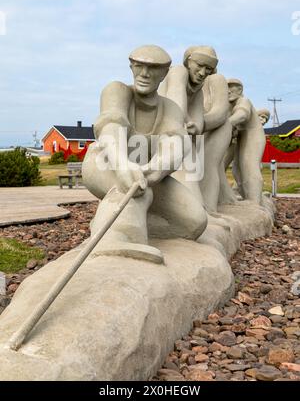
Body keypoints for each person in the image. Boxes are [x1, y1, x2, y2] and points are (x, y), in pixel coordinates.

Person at [82, 45, 207, 263]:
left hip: (147, 175)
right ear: (131, 67)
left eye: (153, 68)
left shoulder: (170, 108)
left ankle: (118, 219)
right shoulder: (117, 90)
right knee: (136, 189)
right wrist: (123, 165)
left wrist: (156, 170)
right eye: (139, 66)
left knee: (194, 221)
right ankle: (116, 240)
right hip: (105, 163)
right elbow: (111, 125)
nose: (145, 74)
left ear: (164, 73)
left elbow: (175, 144)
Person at [159, 46, 232, 213]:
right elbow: (175, 104)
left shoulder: (197, 91)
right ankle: (197, 212)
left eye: (208, 69)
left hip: (180, 135)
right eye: (199, 65)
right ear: (188, 61)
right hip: (165, 133)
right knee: (186, 162)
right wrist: (185, 121)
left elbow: (198, 120)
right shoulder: (179, 71)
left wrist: (194, 125)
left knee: (195, 166)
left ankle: (204, 211)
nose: (202, 72)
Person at [224, 78, 266, 204]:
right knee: (237, 169)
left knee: (249, 166)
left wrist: (225, 124)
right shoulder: (231, 105)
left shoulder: (243, 101)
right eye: (226, 88)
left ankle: (254, 200)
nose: (228, 91)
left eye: (231, 88)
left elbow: (242, 115)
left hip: (253, 135)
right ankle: (246, 196)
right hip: (242, 136)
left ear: (240, 90)